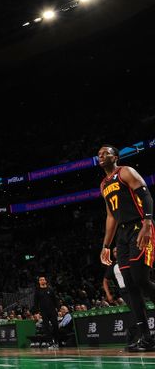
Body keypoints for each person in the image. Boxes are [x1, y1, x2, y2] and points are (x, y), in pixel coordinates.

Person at [99, 144, 155, 351]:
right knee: (130, 286)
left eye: (105, 153)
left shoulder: (126, 171)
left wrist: (148, 223)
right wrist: (106, 245)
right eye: (99, 154)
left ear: (115, 156)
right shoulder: (104, 184)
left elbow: (146, 195)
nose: (101, 156)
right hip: (122, 235)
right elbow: (110, 216)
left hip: (139, 226)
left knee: (140, 278)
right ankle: (146, 338)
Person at [32, 276, 59, 347]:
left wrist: (58, 309)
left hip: (52, 311)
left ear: (45, 281)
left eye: (43, 279)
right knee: (46, 327)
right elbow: (36, 302)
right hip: (44, 312)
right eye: (40, 280)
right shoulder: (37, 291)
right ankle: (50, 342)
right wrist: (37, 312)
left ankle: (57, 340)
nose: (42, 281)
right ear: (39, 282)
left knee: (55, 325)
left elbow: (55, 300)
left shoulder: (50, 289)